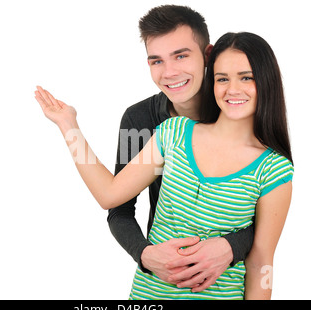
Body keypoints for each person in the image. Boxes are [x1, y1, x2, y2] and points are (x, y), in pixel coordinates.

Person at [34, 30, 293, 299]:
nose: (233, 89)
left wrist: (232, 246)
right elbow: (109, 195)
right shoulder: (173, 132)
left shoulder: (274, 169)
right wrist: (69, 126)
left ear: (266, 82)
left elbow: (261, 261)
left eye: (247, 77)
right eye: (222, 79)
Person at [108, 5, 254, 291]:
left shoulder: (240, 108)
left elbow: (270, 209)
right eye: (156, 61)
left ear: (208, 55)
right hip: (160, 286)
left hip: (228, 287)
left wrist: (229, 247)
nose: (169, 72)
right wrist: (145, 254)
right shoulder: (138, 120)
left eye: (181, 56)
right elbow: (119, 209)